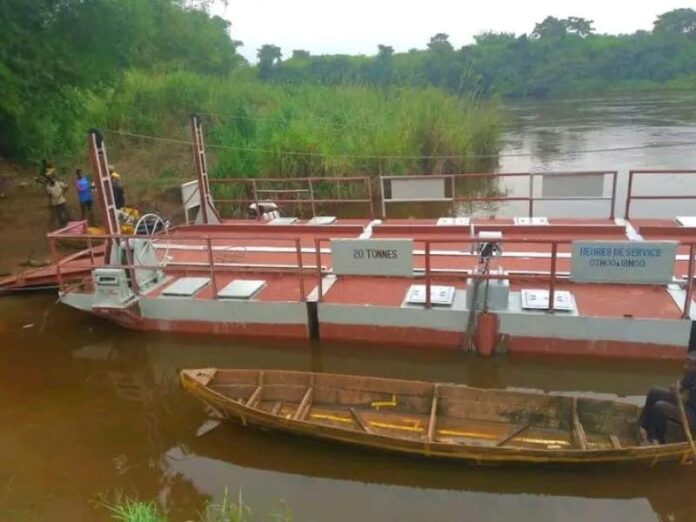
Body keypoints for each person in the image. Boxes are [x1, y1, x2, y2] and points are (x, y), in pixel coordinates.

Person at [639, 351, 696, 444]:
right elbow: (680, 388)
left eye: (689, 365)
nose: (685, 367)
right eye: (685, 364)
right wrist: (675, 389)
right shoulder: (691, 375)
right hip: (689, 408)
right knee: (654, 392)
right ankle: (643, 429)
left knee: (660, 406)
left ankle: (657, 440)